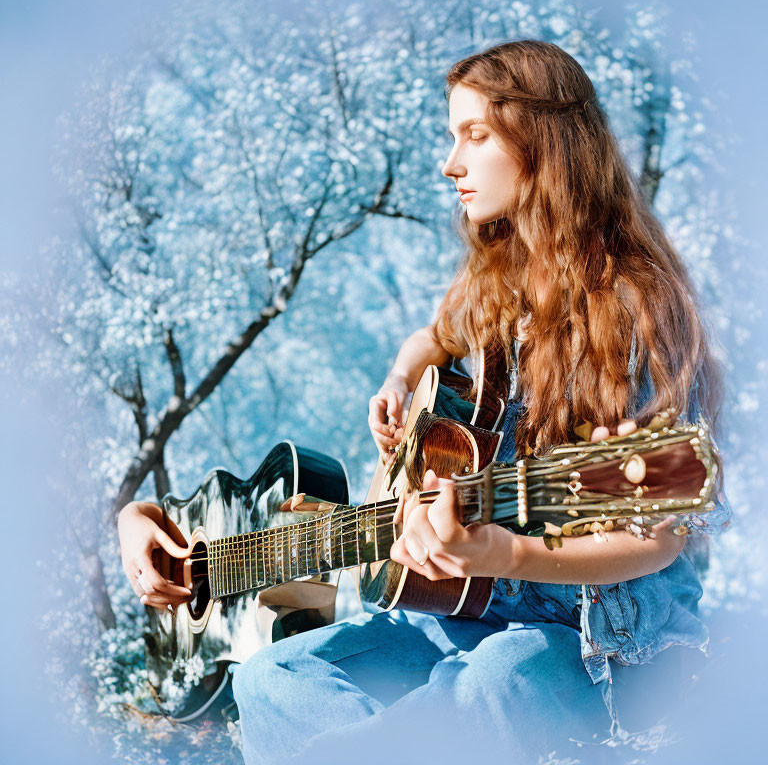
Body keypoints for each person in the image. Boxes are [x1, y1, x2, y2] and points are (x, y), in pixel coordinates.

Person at [118, 40, 732, 764]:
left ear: (547, 144)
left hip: (601, 640)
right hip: (478, 614)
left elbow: (657, 535)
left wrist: (505, 550)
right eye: (452, 136)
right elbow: (433, 336)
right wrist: (402, 379)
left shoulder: (637, 306)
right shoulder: (500, 282)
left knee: (492, 684)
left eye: (475, 135)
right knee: (272, 676)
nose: (451, 162)